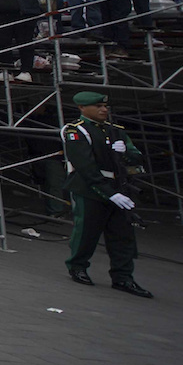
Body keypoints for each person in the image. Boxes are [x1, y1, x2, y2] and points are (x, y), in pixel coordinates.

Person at [62, 91, 153, 296]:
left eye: (105, 106)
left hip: (120, 186)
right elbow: (85, 166)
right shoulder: (76, 131)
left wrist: (126, 153)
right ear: (82, 108)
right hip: (89, 188)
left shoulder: (117, 131)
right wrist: (108, 193)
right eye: (98, 106)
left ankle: (123, 277)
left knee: (123, 235)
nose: (104, 110)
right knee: (87, 231)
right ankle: (78, 266)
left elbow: (137, 158)